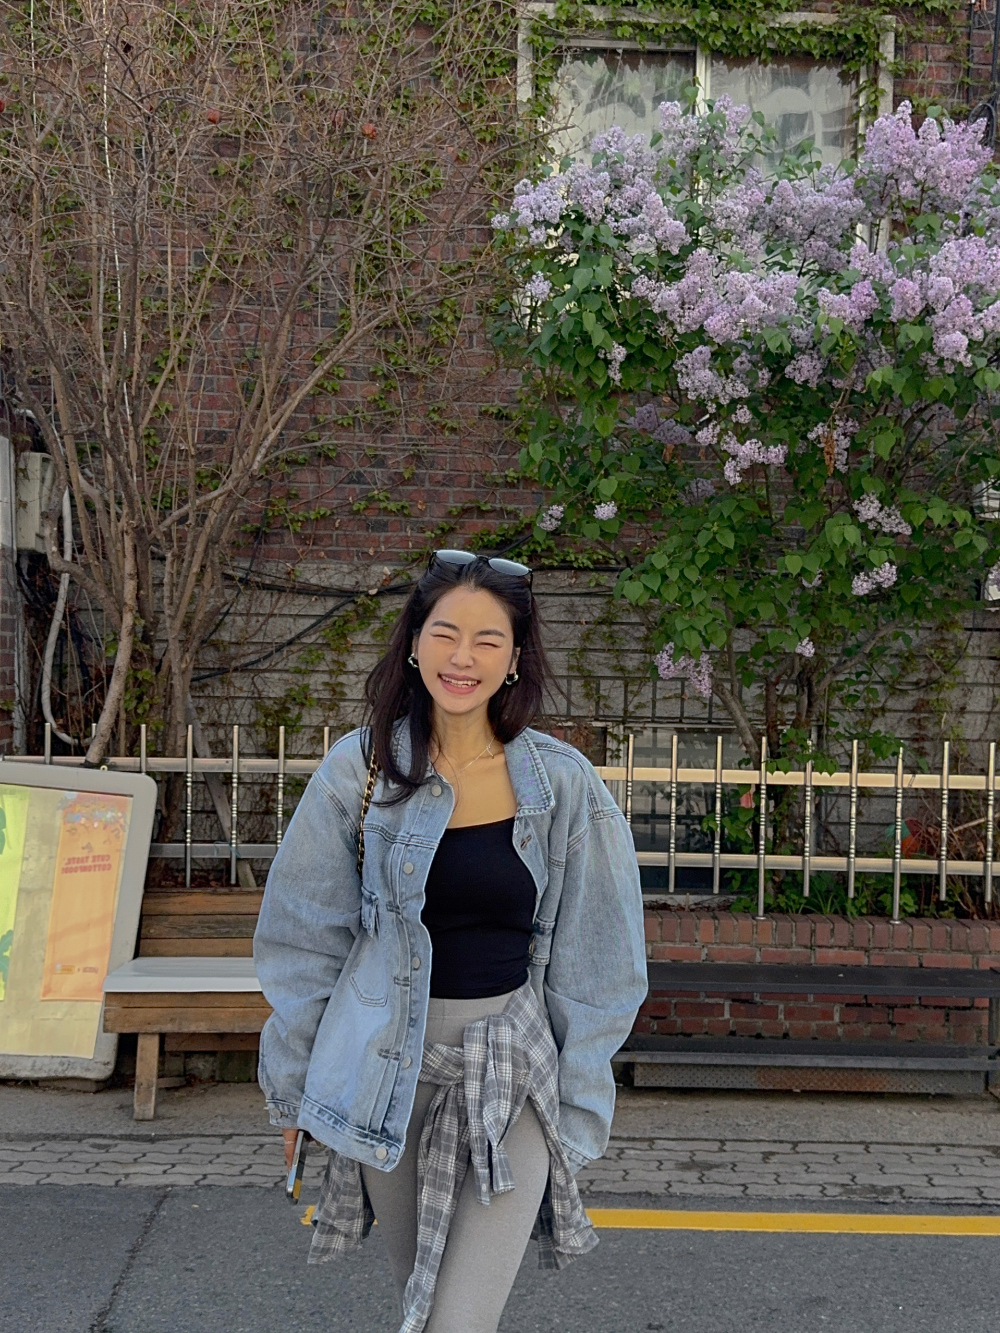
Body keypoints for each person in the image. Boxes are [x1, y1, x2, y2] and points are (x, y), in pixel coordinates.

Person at [254, 549, 647, 1333]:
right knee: (424, 1308)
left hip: (512, 1072)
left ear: (514, 658)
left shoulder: (564, 784)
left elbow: (601, 964)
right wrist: (294, 1090)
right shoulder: (357, 771)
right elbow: (304, 941)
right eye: (445, 633)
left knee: (455, 1322)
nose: (462, 657)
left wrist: (576, 1107)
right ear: (413, 644)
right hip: (387, 1072)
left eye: (487, 639)